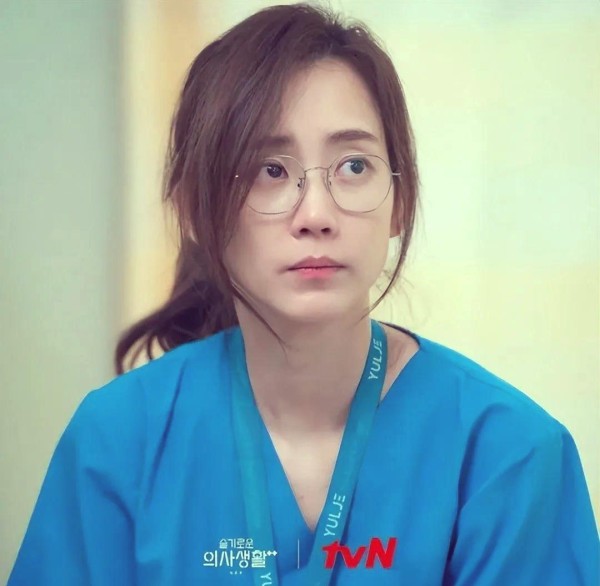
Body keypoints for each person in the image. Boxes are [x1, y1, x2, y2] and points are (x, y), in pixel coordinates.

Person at [7, 3, 599, 585]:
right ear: (193, 210)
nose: (316, 214)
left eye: (354, 166)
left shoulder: (509, 457)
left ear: (401, 201)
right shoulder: (117, 442)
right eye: (269, 170)